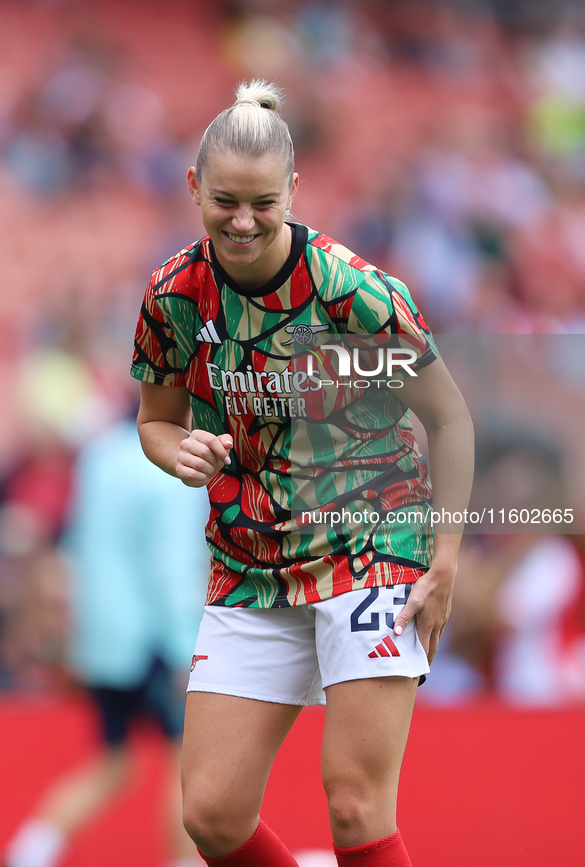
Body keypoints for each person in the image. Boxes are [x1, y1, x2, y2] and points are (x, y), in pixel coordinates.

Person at [131, 79, 474, 867]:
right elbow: (157, 419)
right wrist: (174, 451)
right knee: (212, 816)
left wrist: (446, 557)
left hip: (369, 546)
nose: (242, 221)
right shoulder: (173, 294)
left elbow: (450, 417)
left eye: (261, 202)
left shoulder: (353, 293)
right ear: (192, 188)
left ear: (293, 189)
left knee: (354, 806)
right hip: (250, 562)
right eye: (224, 202)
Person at [3, 417, 209, 867]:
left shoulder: (98, 456)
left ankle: (29, 852)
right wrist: (186, 645)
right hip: (153, 638)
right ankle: (182, 863)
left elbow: (81, 543)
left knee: (114, 762)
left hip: (103, 636)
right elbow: (171, 566)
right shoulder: (178, 465)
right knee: (183, 766)